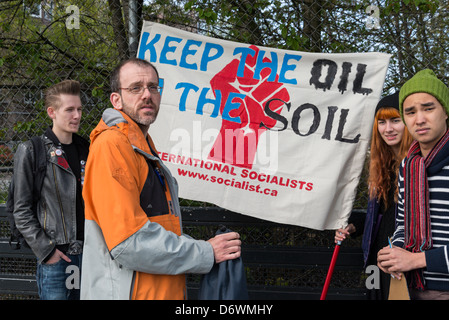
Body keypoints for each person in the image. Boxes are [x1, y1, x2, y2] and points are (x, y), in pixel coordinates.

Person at [80, 58, 242, 300]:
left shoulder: (140, 145)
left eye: (153, 87)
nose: (147, 94)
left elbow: (160, 229)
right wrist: (205, 252)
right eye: (135, 88)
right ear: (116, 100)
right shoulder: (112, 145)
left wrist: (206, 248)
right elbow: (128, 242)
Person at [12, 80, 89, 300]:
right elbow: (21, 210)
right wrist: (47, 252)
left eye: (79, 109)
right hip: (57, 259)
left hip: (90, 256)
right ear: (51, 112)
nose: (77, 116)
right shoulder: (32, 151)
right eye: (70, 110)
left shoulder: (88, 150)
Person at [377, 69, 449, 300]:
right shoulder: (409, 165)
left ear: (445, 111)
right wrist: (393, 252)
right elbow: (402, 224)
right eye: (410, 112)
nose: (419, 119)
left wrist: (416, 259)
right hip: (410, 287)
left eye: (428, 108)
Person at [335, 92, 413, 299]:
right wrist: (355, 224)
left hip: (405, 262)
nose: (388, 129)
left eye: (395, 121)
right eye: (382, 122)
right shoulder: (381, 166)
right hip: (375, 259)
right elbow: (382, 214)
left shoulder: (419, 164)